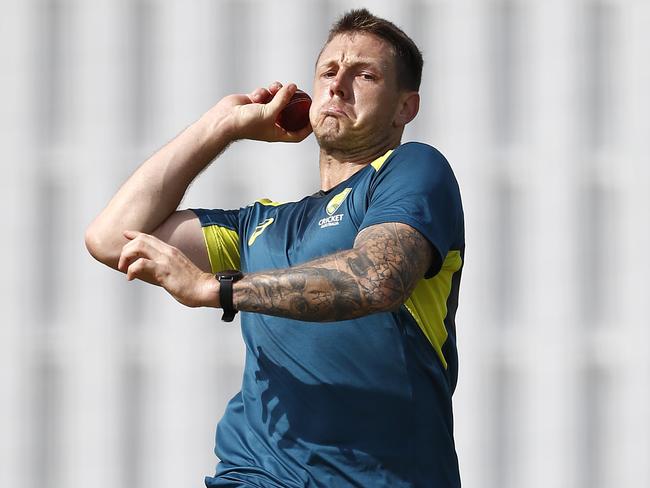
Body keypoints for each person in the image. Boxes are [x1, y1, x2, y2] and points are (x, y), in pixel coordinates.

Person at [86, 8, 464, 488]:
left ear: (405, 108)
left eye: (363, 74)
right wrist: (221, 125)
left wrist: (216, 289)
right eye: (329, 71)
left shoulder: (412, 170)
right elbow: (110, 236)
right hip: (255, 475)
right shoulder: (260, 224)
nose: (338, 85)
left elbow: (377, 276)